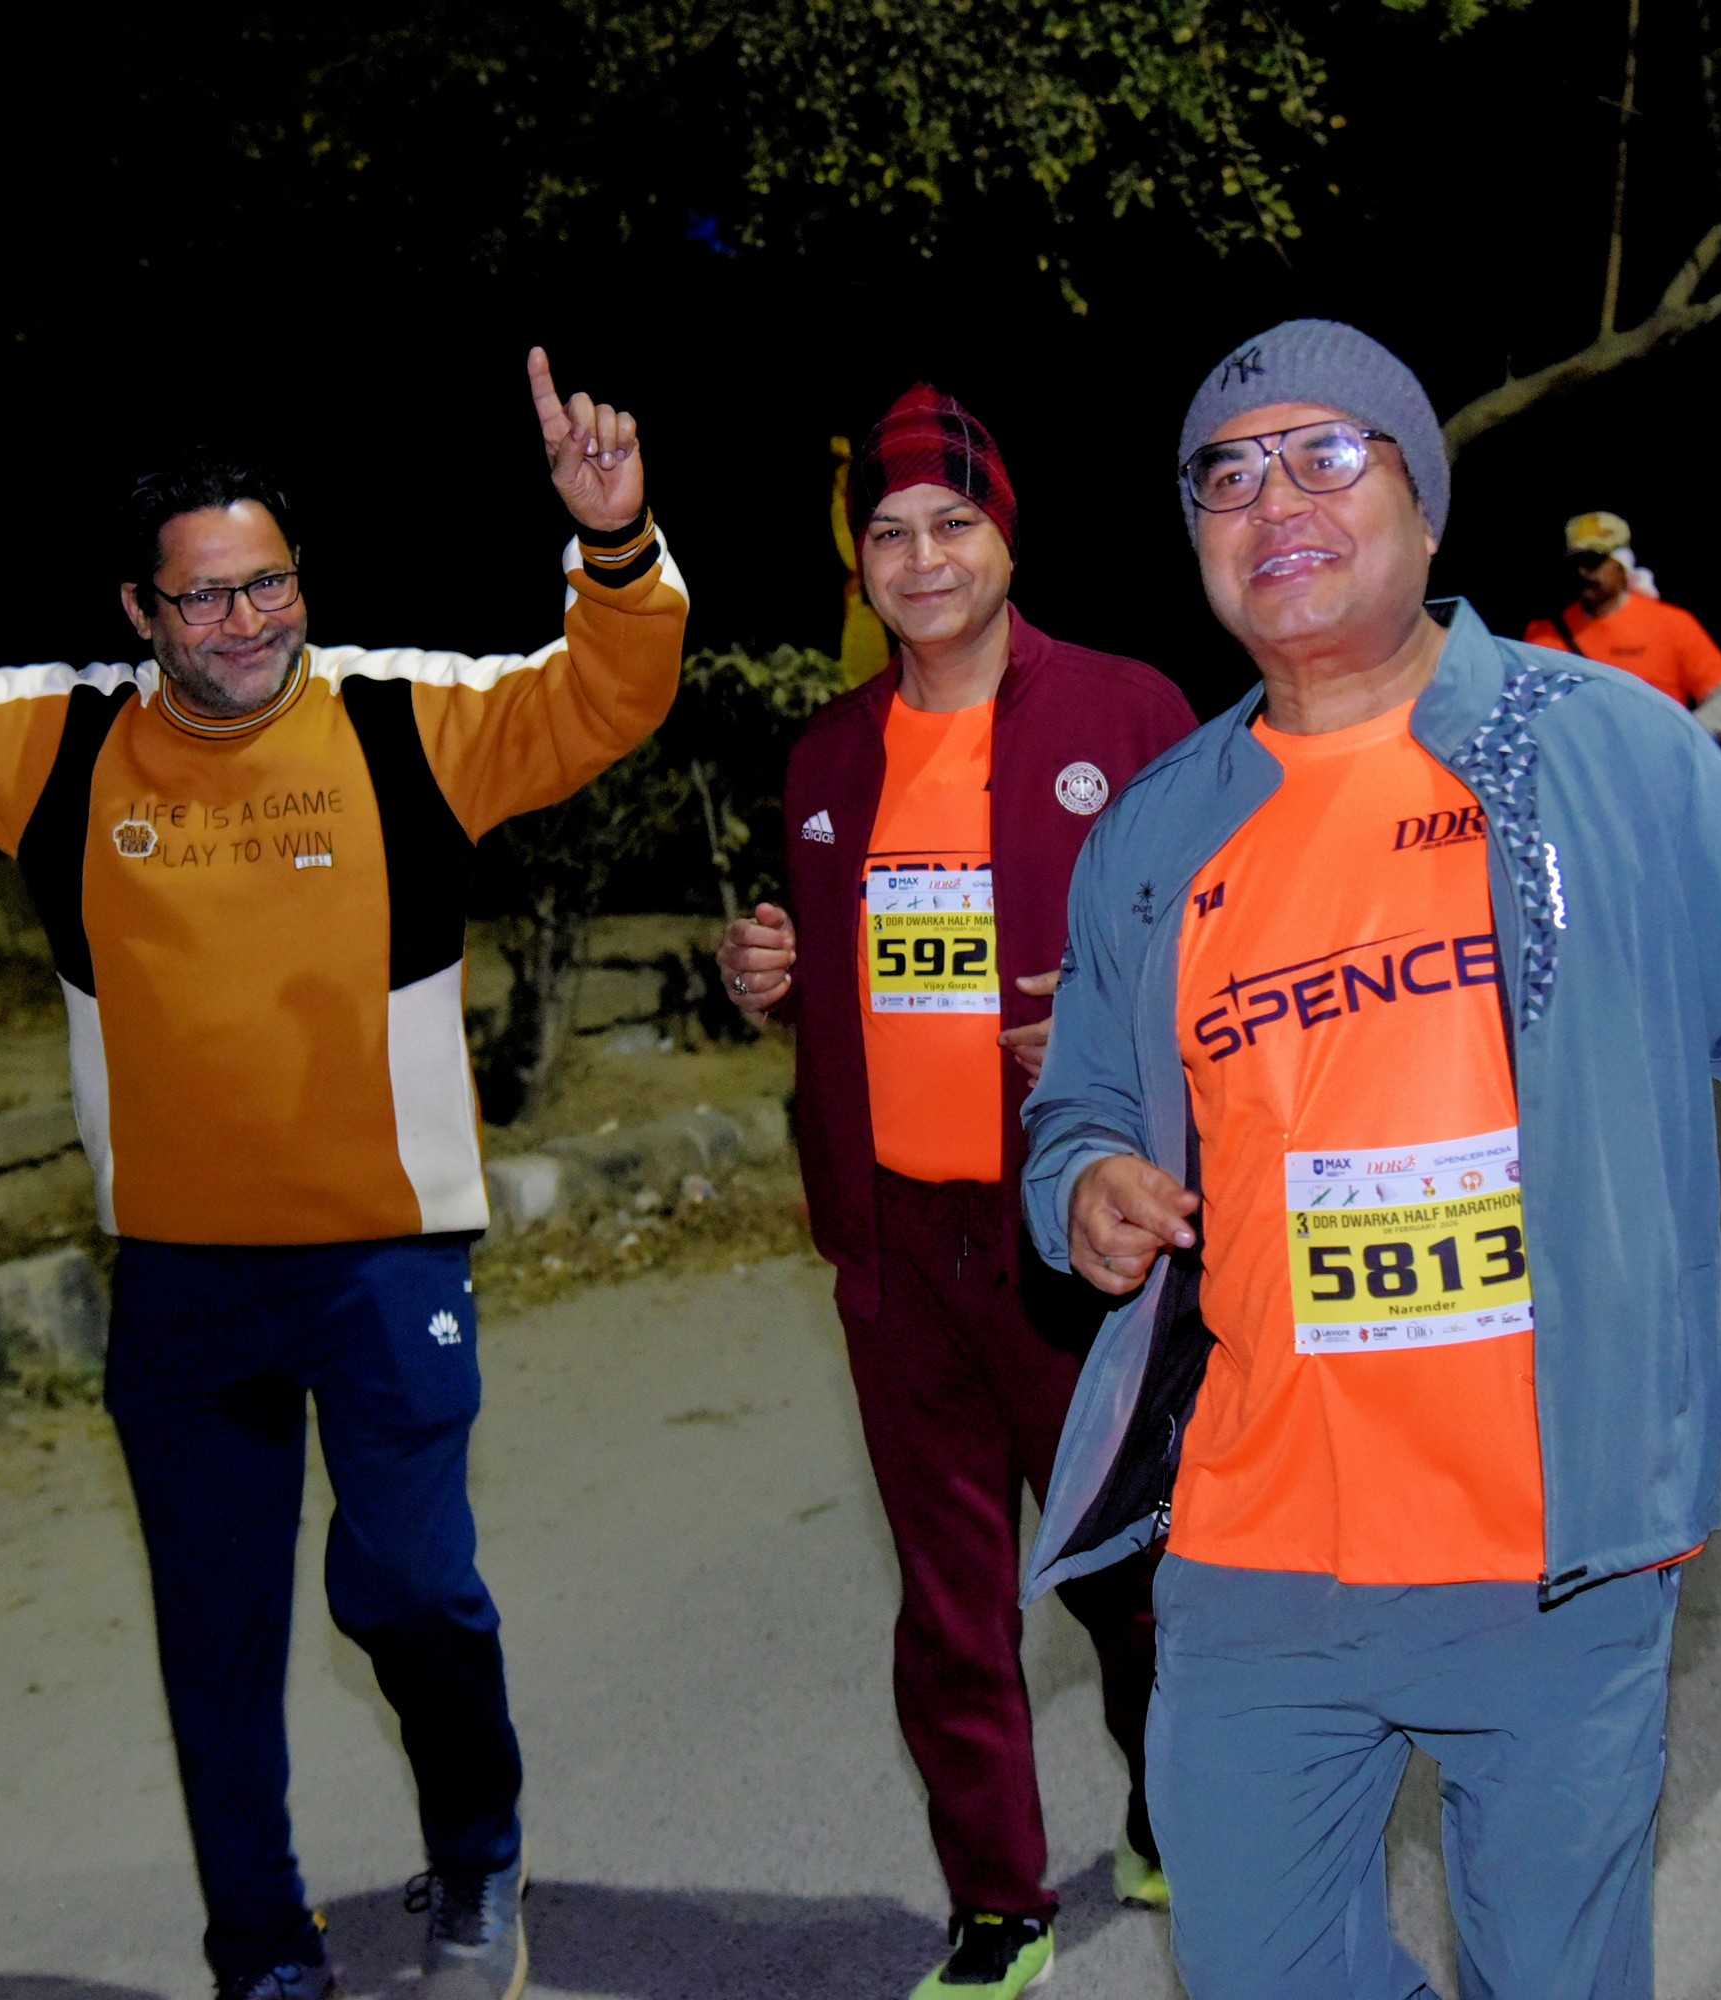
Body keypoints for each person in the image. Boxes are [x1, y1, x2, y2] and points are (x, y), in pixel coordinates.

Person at [0, 328, 687, 2000]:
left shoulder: (402, 725)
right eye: (203, 598)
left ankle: (478, 1856)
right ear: (139, 611)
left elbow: (607, 696)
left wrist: (613, 544)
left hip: (387, 1259)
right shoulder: (62, 748)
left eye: (268, 586)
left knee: (411, 1589)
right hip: (181, 1284)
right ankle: (260, 1948)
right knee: (217, 1642)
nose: (244, 623)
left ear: (301, 581)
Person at [1019, 319, 1721, 1999]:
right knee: (1260, 1974)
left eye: (1327, 455)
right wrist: (1082, 1183)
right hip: (1253, 1541)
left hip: (1550, 1543)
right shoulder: (1158, 826)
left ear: (1425, 507)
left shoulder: (1607, 751)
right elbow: (1076, 1100)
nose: (1274, 500)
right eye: (1228, 475)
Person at [715, 383, 1196, 2000]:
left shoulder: (1129, 711)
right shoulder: (826, 756)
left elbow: (1231, 932)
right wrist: (772, 973)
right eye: (889, 533)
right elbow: (844, 966)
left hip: (1077, 1231)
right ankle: (997, 1903)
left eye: (953, 524)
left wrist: (1117, 1020)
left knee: (1133, 1565)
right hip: (897, 1248)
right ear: (858, 564)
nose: (921, 559)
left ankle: (1173, 1806)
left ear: (1008, 538)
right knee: (949, 1602)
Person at [1524, 510, 1721, 738]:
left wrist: (1682, 740)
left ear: (1621, 564)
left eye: (1593, 562)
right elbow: (1525, 711)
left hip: (1656, 757)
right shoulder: (1543, 634)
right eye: (1576, 562)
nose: (1583, 572)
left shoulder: (1672, 624)